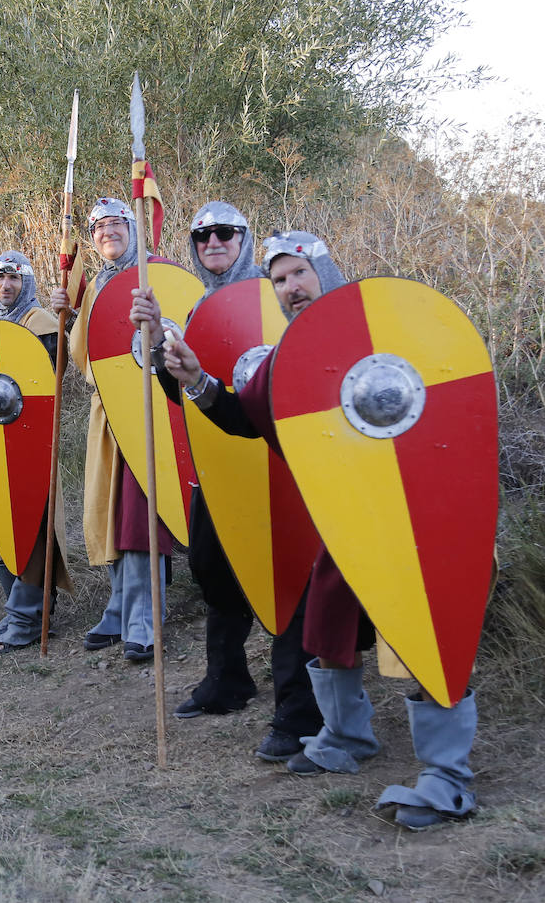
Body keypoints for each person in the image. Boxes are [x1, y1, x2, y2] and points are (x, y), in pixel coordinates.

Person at [162, 231, 480, 832]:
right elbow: (242, 416)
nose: (289, 288)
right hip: (346, 519)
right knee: (326, 620)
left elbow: (447, 402)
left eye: (299, 274)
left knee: (421, 633)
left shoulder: (384, 329)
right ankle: (345, 737)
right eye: (279, 280)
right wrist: (198, 378)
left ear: (325, 271)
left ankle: (446, 775)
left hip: (410, 516)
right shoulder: (289, 356)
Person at [129, 203, 321, 761]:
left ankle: (298, 709)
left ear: (245, 239)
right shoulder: (193, 308)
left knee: (285, 575)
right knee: (213, 567)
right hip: (218, 458)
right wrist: (159, 334)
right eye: (202, 235)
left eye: (226, 233)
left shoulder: (281, 297)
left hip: (284, 464)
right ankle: (228, 679)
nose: (213, 242)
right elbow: (183, 389)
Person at [49, 198, 173, 664]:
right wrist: (68, 314)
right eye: (99, 227)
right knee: (110, 510)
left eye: (116, 224)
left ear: (133, 227)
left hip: (149, 410)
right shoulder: (98, 284)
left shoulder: (154, 272)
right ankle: (121, 607)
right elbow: (87, 358)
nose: (107, 233)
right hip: (108, 414)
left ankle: (146, 617)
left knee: (141, 514)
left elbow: (174, 334)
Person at [0, 250, 72, 653]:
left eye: (13, 278)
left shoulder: (42, 324)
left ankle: (29, 617)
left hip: (30, 443)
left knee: (30, 526)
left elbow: (49, 381)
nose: (5, 285)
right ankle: (18, 608)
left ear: (25, 282)